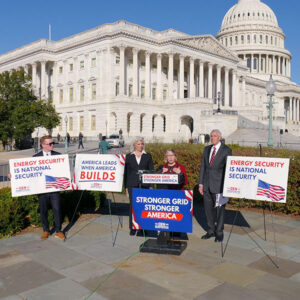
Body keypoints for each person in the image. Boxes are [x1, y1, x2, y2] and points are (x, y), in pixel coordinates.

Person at [198, 129, 232, 242]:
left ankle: (219, 232)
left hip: (219, 186)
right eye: (211, 136)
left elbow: (228, 169)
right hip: (207, 185)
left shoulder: (226, 150)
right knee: (208, 210)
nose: (212, 138)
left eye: (215, 136)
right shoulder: (206, 149)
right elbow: (203, 166)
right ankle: (211, 230)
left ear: (220, 138)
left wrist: (226, 187)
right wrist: (201, 184)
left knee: (220, 210)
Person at [33, 135, 65, 240]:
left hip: (54, 188)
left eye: (53, 143)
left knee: (57, 209)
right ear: (43, 145)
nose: (52, 145)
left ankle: (58, 231)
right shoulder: (36, 158)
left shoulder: (58, 156)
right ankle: (46, 230)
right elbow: (29, 174)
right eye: (50, 143)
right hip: (42, 190)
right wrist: (13, 176)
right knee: (43, 211)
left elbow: (63, 171)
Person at [124, 137, 154, 236]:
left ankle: (143, 227)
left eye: (142, 144)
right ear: (134, 145)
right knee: (133, 206)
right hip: (132, 185)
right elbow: (126, 173)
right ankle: (132, 227)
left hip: (144, 185)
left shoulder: (148, 156)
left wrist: (151, 186)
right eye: (139, 144)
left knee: (143, 207)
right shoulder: (129, 157)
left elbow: (151, 171)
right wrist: (126, 187)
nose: (141, 146)